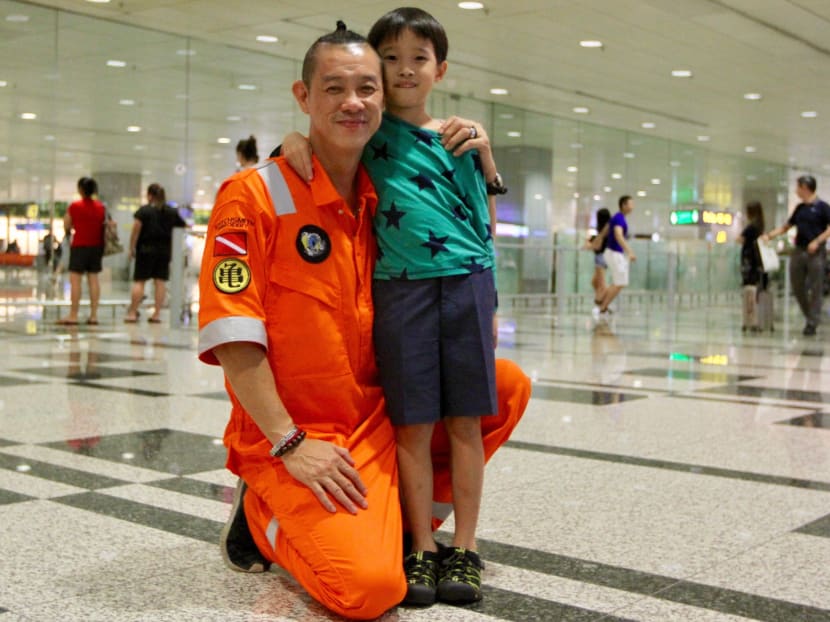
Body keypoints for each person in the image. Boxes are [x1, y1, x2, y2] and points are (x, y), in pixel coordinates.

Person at [198, 23, 529, 621]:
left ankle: (395, 527)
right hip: (301, 435)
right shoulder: (254, 197)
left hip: (376, 416)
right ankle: (260, 516)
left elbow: (471, 216)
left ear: (385, 97)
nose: (353, 102)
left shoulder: (382, 193)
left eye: (366, 88)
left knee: (502, 389)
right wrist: (289, 443)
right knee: (370, 591)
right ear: (304, 97)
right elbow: (233, 337)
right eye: (334, 88)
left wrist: (484, 146)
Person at [280, 7, 505, 607]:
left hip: (466, 284)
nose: (405, 70)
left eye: (419, 59)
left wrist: (491, 304)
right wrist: (293, 137)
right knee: (412, 422)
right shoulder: (371, 132)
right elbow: (323, 138)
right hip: (399, 287)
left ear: (441, 69)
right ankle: (420, 549)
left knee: (464, 422)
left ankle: (465, 545)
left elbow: (482, 222)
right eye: (392, 59)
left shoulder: (459, 137)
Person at [763, 175, 830, 336]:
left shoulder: (822, 207)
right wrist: (770, 235)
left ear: (805, 188)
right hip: (799, 251)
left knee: (816, 288)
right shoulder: (800, 208)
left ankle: (812, 322)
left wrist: (817, 241)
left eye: (798, 187)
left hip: (816, 253)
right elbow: (787, 226)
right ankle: (811, 317)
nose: (796, 190)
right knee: (797, 286)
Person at [124, 183, 186, 323]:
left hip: (145, 249)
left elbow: (136, 229)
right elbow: (183, 227)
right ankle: (157, 314)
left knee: (140, 281)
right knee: (160, 282)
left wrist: (131, 247)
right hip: (164, 251)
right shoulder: (171, 211)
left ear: (150, 195)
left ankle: (133, 312)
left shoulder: (144, 211)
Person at [58, 176, 108, 326]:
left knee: (75, 281)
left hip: (79, 245)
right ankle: (94, 316)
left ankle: (73, 315)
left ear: (80, 189)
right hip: (96, 246)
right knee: (94, 280)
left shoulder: (75, 206)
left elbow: (67, 224)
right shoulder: (101, 207)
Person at [598, 195, 636, 317]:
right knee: (620, 282)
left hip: (614, 253)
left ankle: (603, 304)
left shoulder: (618, 218)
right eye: (630, 204)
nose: (632, 207)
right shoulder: (619, 218)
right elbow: (618, 235)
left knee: (620, 282)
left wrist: (596, 242)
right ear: (623, 205)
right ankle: (602, 305)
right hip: (614, 253)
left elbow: (605, 231)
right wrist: (629, 251)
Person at [736, 201, 766, 332]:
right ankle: (754, 319)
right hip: (757, 262)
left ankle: (750, 319)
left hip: (749, 261)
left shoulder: (751, 227)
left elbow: (740, 239)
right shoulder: (760, 226)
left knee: (749, 290)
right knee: (755, 289)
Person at [586, 207, 611, 320]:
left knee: (601, 284)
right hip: (601, 257)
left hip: (601, 257)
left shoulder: (604, 230)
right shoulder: (606, 229)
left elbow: (598, 246)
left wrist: (590, 244)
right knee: (595, 282)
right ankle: (603, 303)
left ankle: (602, 304)